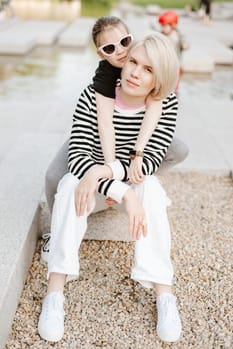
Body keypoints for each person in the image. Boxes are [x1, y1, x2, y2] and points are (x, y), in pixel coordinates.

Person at [38, 32, 182, 343]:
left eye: (148, 69)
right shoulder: (93, 96)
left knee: (153, 190)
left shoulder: (165, 103)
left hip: (121, 178)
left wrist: (110, 173)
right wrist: (122, 191)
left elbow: (152, 158)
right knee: (68, 184)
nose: (134, 73)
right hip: (96, 187)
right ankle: (55, 292)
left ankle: (164, 294)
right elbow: (77, 154)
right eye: (133, 62)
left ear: (161, 77)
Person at [41, 16, 189, 261]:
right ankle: (53, 233)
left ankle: (136, 175)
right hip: (97, 131)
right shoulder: (105, 78)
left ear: (131, 38)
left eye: (124, 42)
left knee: (178, 148)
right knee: (55, 176)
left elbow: (157, 105)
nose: (120, 52)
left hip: (134, 135)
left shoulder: (147, 58)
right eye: (110, 48)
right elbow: (105, 124)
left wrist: (138, 155)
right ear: (101, 54)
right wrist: (111, 178)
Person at [158, 10, 189, 92]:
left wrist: (185, 45)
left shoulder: (178, 35)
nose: (163, 28)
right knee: (163, 81)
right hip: (164, 64)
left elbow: (185, 43)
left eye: (165, 26)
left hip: (176, 64)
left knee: (175, 84)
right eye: (162, 26)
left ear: (173, 25)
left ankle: (174, 93)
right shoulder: (161, 35)